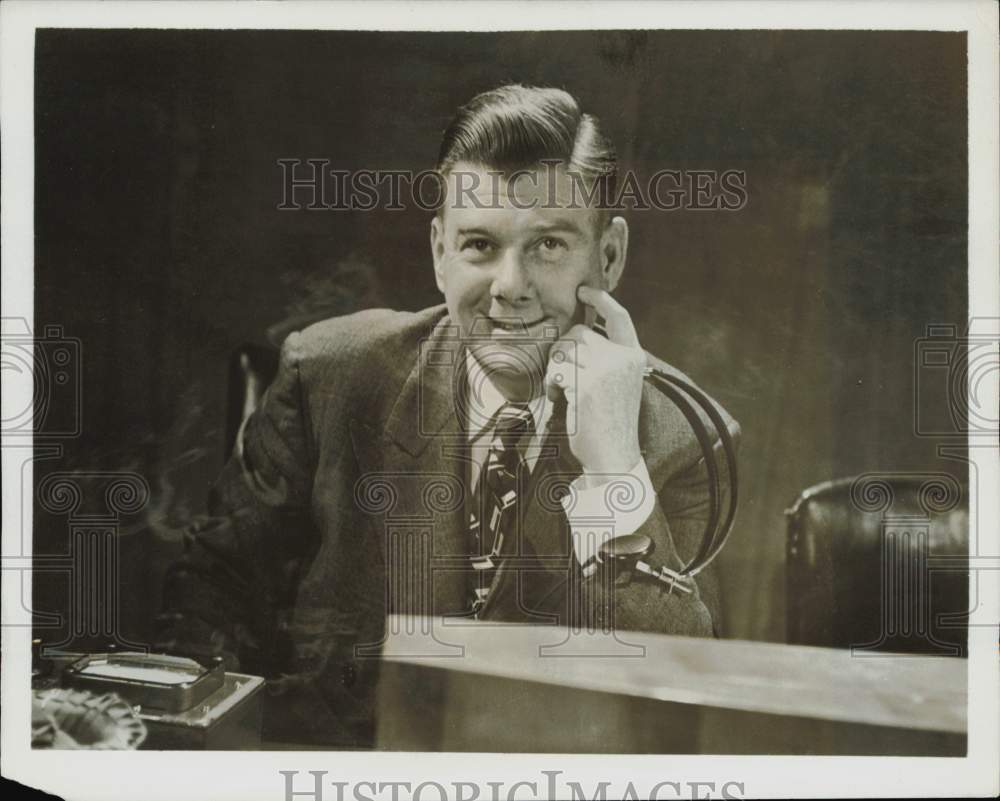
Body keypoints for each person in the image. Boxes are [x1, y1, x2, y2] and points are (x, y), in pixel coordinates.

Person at [157, 84, 740, 747]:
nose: (510, 285)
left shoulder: (686, 436)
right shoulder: (329, 374)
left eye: (548, 245)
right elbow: (211, 594)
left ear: (607, 257)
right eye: (480, 246)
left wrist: (614, 471)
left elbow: (679, 703)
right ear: (439, 252)